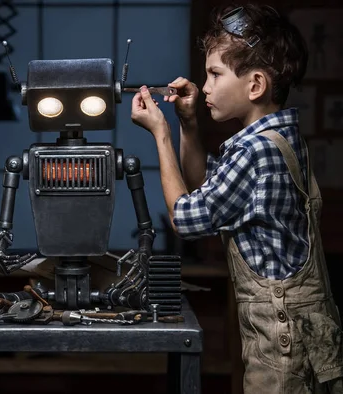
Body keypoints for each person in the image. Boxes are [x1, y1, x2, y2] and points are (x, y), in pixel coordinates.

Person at [130, 3, 343, 393]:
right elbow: (209, 191)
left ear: (255, 85)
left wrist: (160, 135)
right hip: (309, 332)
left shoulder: (255, 152)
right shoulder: (281, 138)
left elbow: (186, 217)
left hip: (281, 342)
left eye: (215, 74)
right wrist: (188, 125)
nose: (206, 86)